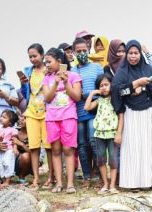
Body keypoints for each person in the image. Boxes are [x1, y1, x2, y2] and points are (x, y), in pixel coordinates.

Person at [111, 40, 152, 190]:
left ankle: (151, 180)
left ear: (140, 55)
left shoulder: (147, 69)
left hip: (148, 112)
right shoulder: (122, 72)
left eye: (136, 53)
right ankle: (132, 182)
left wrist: (144, 88)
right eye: (130, 53)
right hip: (131, 114)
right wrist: (135, 84)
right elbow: (117, 91)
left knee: (148, 146)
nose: (133, 56)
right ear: (126, 54)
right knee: (132, 147)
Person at [42, 47, 82, 193]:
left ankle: (70, 184)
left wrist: (65, 83)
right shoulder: (47, 78)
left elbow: (77, 97)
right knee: (56, 150)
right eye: (45, 62)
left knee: (68, 149)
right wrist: (55, 82)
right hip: (52, 117)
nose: (46, 65)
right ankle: (59, 183)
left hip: (68, 116)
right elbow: (47, 98)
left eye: (49, 62)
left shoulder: (73, 76)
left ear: (59, 61)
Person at [17, 43, 51, 190]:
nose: (32, 59)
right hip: (31, 111)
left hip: (47, 112)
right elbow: (25, 93)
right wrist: (23, 83)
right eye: (30, 57)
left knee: (48, 146)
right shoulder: (28, 71)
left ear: (42, 55)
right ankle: (36, 179)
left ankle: (51, 177)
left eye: (35, 56)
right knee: (34, 146)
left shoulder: (49, 70)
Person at [72, 37, 104, 187]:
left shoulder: (97, 67)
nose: (82, 53)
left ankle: (98, 174)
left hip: (94, 111)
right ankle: (86, 176)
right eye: (78, 51)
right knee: (81, 144)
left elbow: (103, 87)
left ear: (89, 50)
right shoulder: (72, 71)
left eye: (84, 50)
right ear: (73, 53)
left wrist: (88, 94)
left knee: (93, 141)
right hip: (78, 112)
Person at [85, 73, 121, 193]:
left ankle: (112, 185)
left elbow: (121, 116)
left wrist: (119, 133)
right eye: (101, 85)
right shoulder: (99, 100)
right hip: (99, 133)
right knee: (100, 159)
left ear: (111, 85)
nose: (104, 87)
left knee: (113, 159)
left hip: (112, 133)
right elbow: (87, 107)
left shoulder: (116, 99)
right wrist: (92, 94)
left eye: (106, 84)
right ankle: (105, 184)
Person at [0, 109, 20, 186]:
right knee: (0, 163)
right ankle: (3, 179)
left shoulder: (12, 130)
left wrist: (15, 148)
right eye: (1, 116)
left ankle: (7, 181)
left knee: (8, 163)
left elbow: (14, 140)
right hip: (1, 150)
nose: (1, 118)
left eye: (4, 117)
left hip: (9, 150)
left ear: (10, 122)